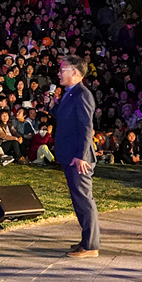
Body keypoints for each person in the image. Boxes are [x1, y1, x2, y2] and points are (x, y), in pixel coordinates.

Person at [54, 55, 99, 258]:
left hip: (78, 157)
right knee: (78, 200)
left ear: (76, 73)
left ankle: (91, 246)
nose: (59, 73)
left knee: (84, 200)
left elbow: (86, 127)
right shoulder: (69, 93)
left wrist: (81, 156)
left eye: (63, 70)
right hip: (70, 155)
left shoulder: (82, 94)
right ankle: (86, 240)